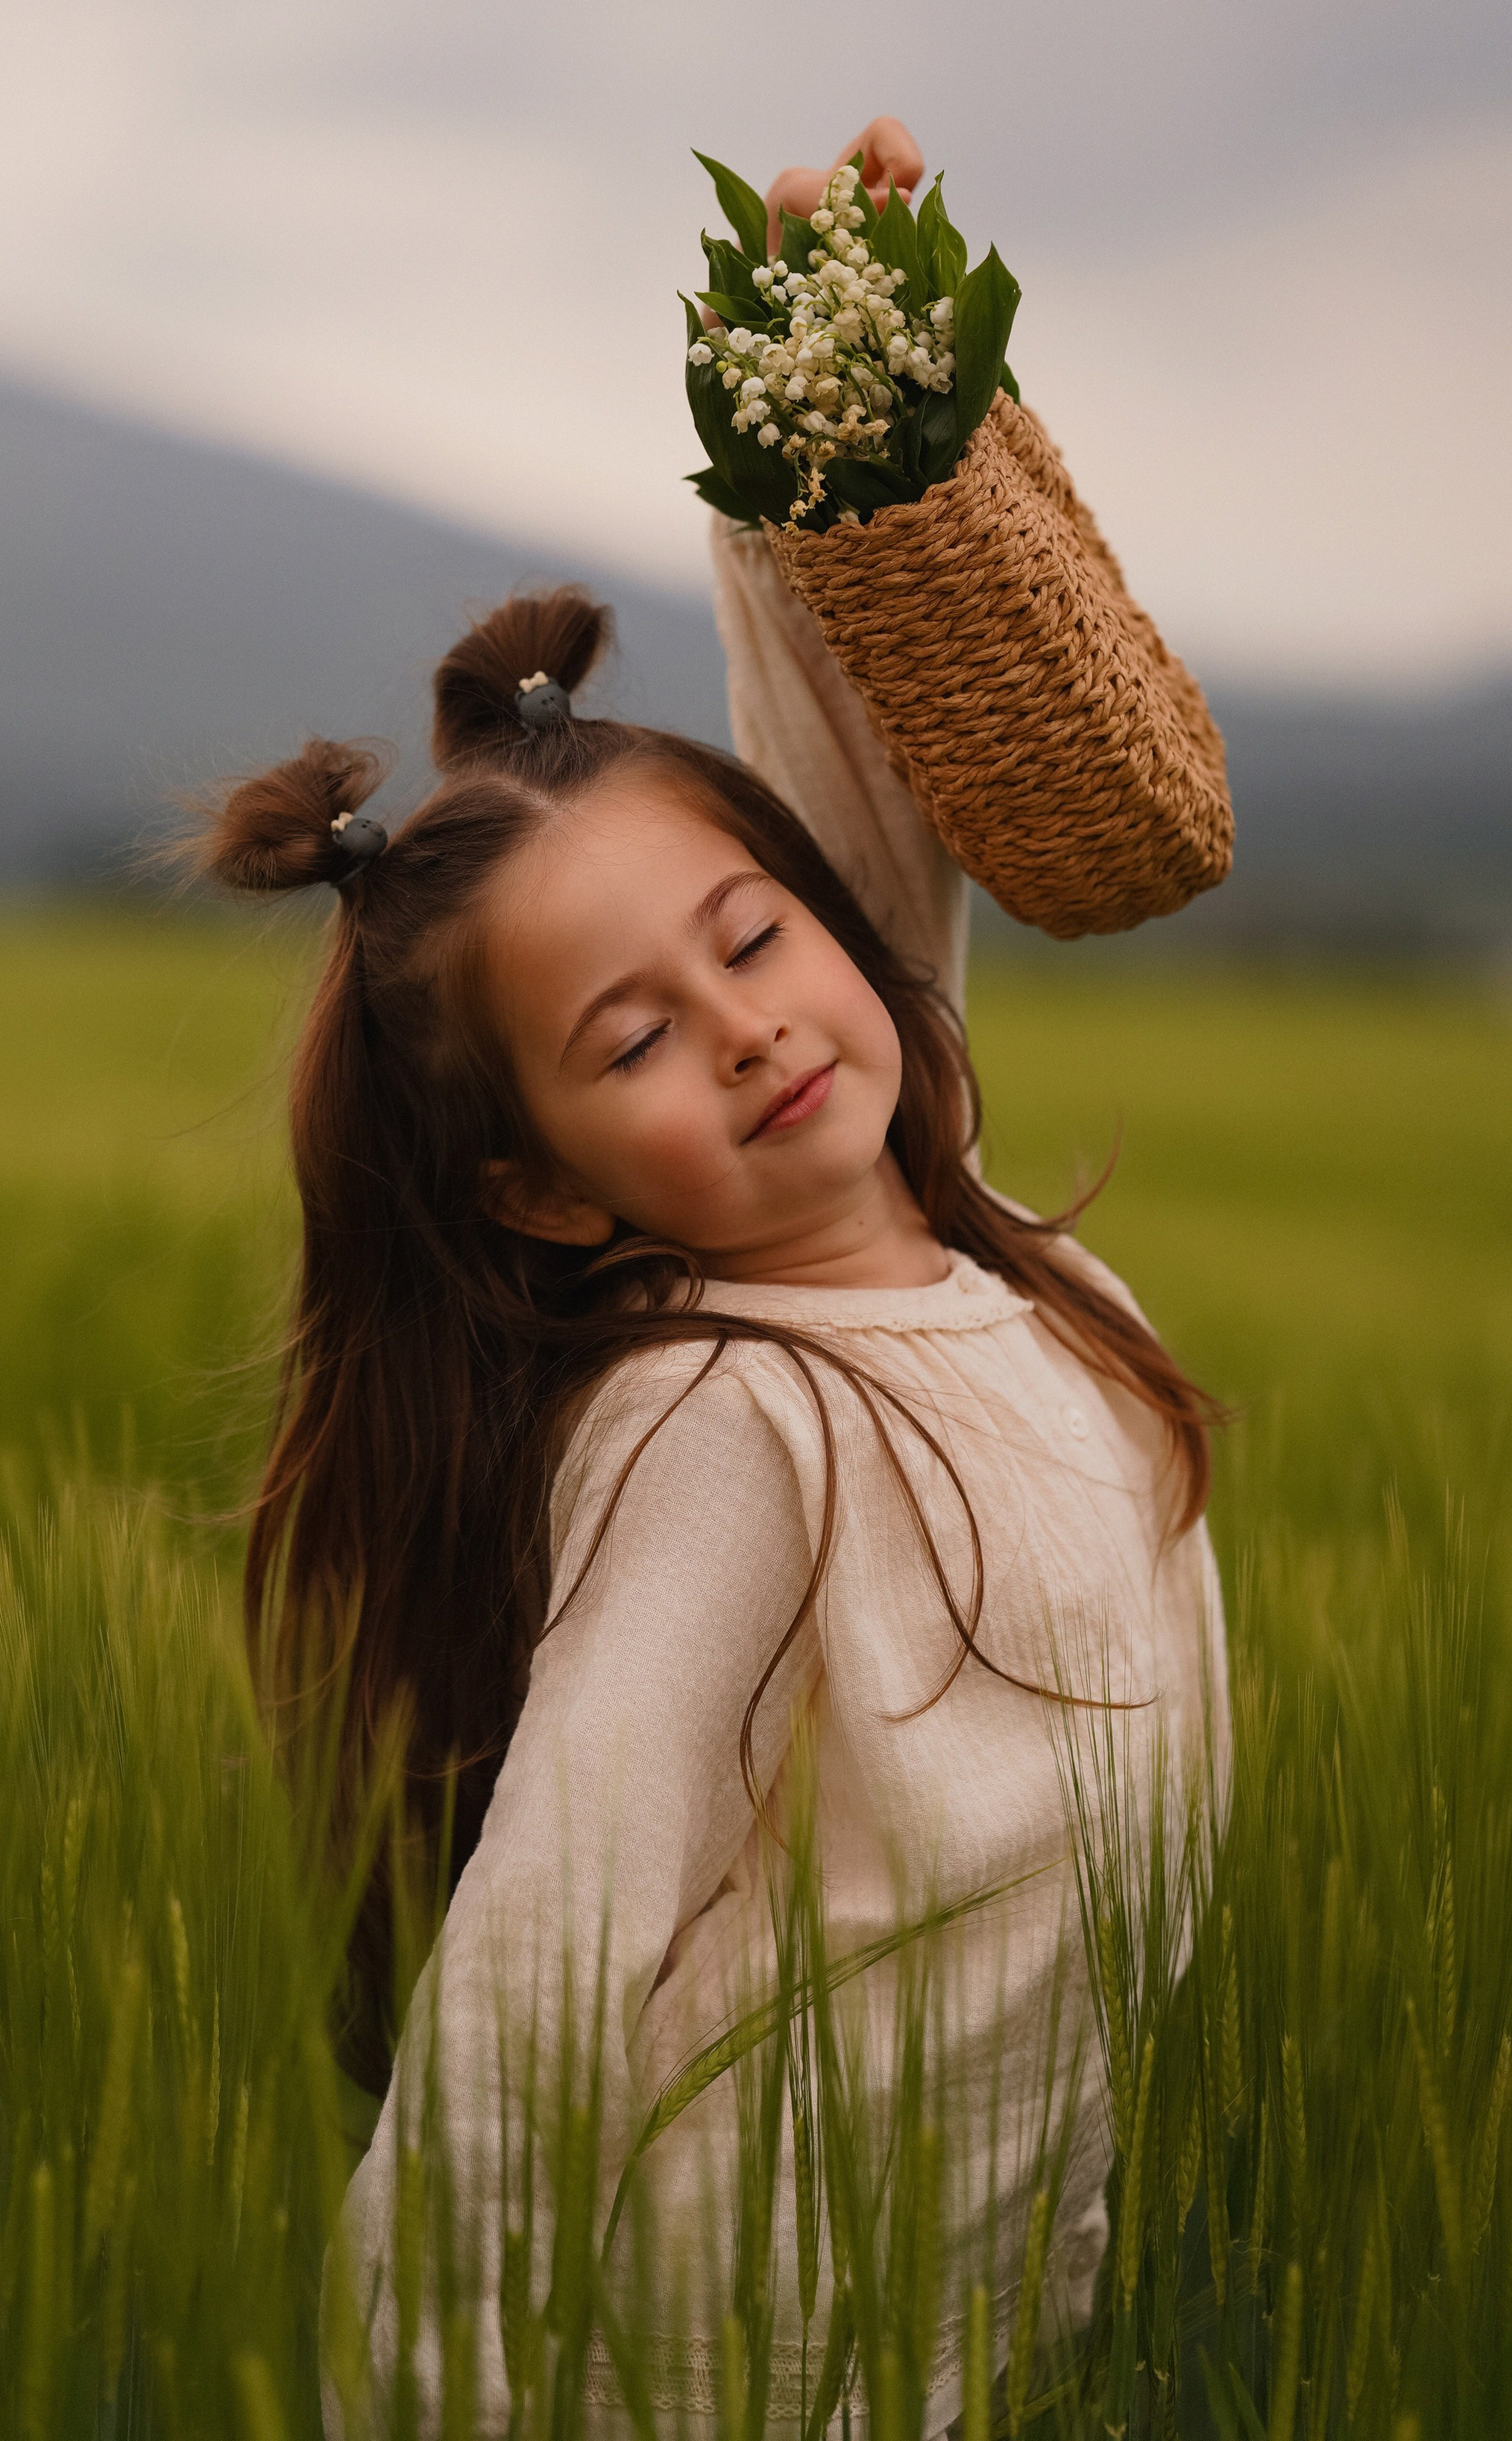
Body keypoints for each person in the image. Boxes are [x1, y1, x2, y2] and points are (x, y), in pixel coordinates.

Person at [201, 116, 1230, 2436]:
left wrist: (821, 428)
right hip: (714, 2356)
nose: (746, 1026)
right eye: (630, 1040)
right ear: (548, 1194)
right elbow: (550, 1948)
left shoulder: (1017, 1278)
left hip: (975, 2309)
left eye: (754, 939)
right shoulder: (730, 1417)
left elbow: (859, 796)